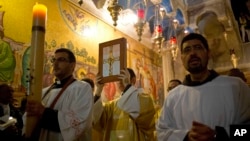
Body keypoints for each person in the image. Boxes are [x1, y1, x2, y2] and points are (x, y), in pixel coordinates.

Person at [156, 33, 250, 141]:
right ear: (182, 58)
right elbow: (161, 133)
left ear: (208, 53)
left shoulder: (235, 87)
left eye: (198, 47)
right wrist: (186, 137)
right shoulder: (173, 97)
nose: (192, 53)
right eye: (187, 50)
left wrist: (218, 135)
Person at [23, 48, 93, 141]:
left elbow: (80, 121)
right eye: (54, 60)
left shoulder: (82, 88)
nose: (55, 64)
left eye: (61, 60)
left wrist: (44, 112)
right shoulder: (44, 92)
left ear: (72, 65)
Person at [93, 68, 156, 141]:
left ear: (133, 80)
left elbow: (146, 122)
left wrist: (127, 85)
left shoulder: (145, 99)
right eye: (117, 78)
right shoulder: (111, 106)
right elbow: (96, 119)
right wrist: (98, 91)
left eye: (122, 78)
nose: (119, 82)